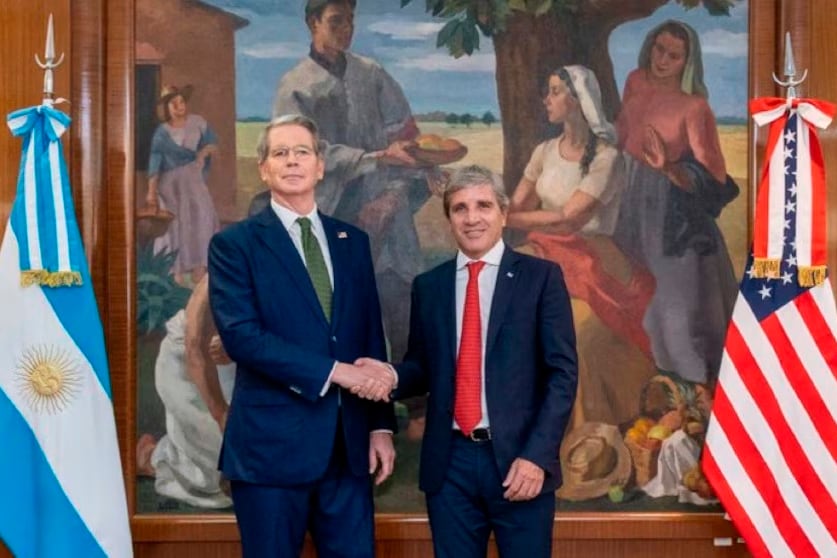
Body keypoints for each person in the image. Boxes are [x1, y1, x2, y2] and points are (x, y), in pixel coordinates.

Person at [356, 165, 578, 557]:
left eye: (483, 206)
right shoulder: (430, 286)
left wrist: (536, 456)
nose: (472, 218)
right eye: (460, 208)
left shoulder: (540, 278)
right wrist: (390, 375)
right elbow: (422, 368)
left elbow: (562, 376)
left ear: (503, 213)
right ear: (449, 218)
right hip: (450, 465)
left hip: (519, 461)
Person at [208, 114, 397, 557]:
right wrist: (337, 372)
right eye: (280, 153)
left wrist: (380, 425)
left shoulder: (353, 241)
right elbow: (242, 337)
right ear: (264, 169)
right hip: (270, 451)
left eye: (302, 152)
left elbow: (370, 336)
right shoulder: (235, 245)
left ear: (320, 166)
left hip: (348, 451)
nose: (292, 161)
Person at [274, 0, 432, 437]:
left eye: (351, 20)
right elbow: (302, 152)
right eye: (336, 20)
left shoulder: (372, 74)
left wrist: (393, 196)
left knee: (401, 303)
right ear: (313, 23)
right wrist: (374, 158)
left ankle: (418, 409)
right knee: (341, 314)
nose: (346, 28)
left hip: (389, 211)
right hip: (331, 213)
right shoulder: (295, 86)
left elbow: (408, 140)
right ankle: (351, 415)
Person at [506, 65, 655, 428]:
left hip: (594, 256)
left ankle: (583, 430)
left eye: (555, 91)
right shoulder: (544, 151)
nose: (547, 99)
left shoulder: (607, 158)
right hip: (545, 249)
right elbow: (516, 206)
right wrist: (495, 211)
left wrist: (503, 218)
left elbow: (569, 219)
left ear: (578, 100)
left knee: (579, 333)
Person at [615, 20, 739, 385]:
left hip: (674, 219)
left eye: (674, 55)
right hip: (631, 204)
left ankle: (694, 403)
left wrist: (667, 168)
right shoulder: (635, 81)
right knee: (639, 299)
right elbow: (622, 132)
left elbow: (715, 179)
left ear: (688, 61)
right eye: (659, 49)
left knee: (676, 317)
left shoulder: (694, 107)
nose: (663, 60)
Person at [135, 275, 235, 509]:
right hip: (185, 369)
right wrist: (222, 415)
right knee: (215, 469)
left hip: (236, 368)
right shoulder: (215, 282)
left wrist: (236, 346)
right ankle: (151, 457)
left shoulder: (279, 278)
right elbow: (195, 354)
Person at [146, 84, 220, 287]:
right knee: (176, 225)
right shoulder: (162, 132)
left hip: (193, 180)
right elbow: (155, 163)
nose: (179, 107)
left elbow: (212, 143)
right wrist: (151, 192)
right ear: (166, 108)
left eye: (182, 102)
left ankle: (200, 270)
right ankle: (176, 274)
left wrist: (203, 154)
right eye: (174, 103)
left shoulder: (198, 123)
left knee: (202, 218)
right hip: (171, 186)